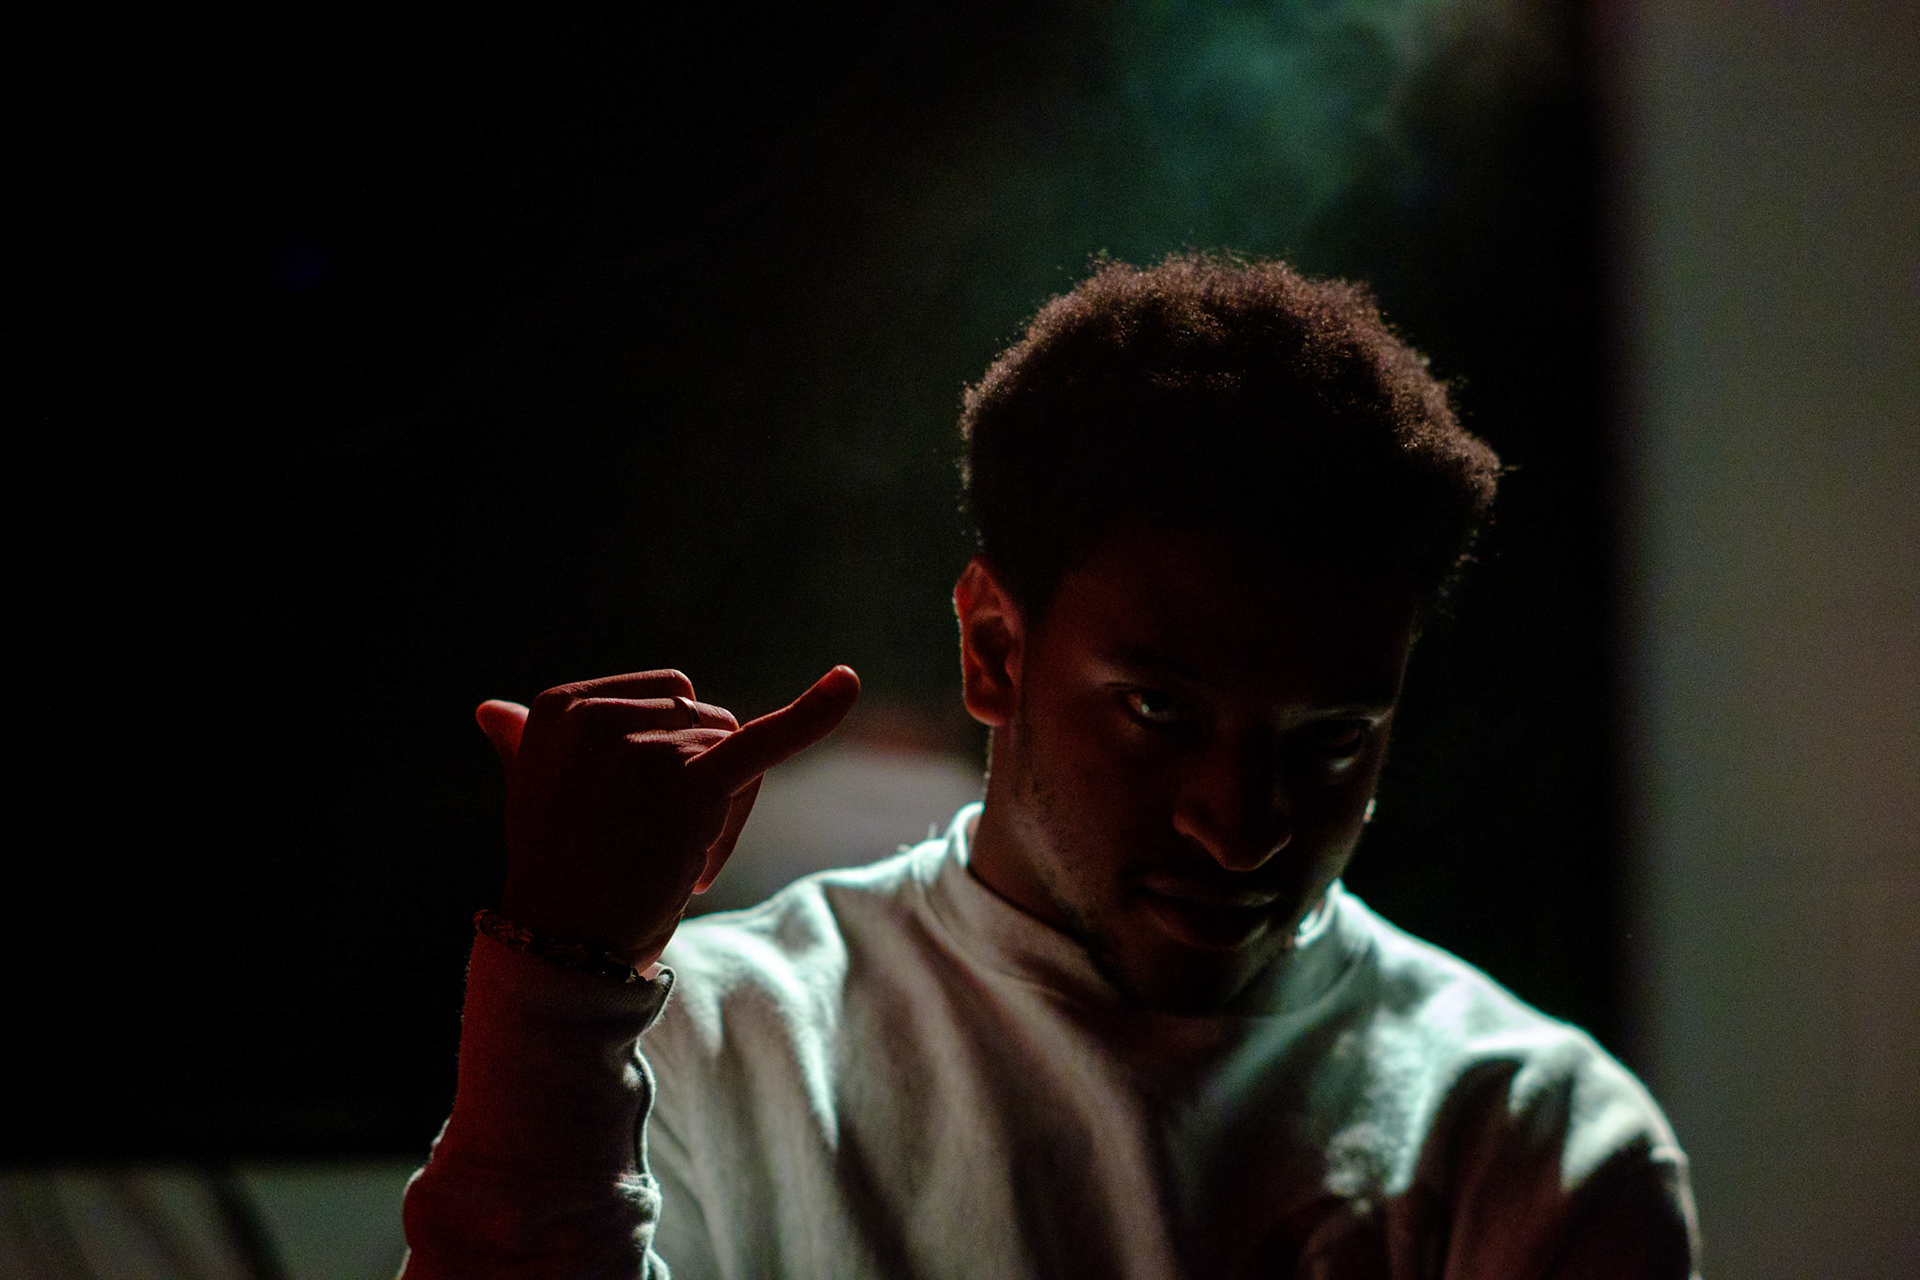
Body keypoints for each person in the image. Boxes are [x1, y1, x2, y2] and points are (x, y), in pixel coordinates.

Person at [400, 254, 1701, 1278]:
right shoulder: (709, 1049)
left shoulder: (1536, 1134)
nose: (1243, 825)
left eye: (1331, 740)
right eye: (1160, 712)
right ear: (992, 650)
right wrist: (555, 996)